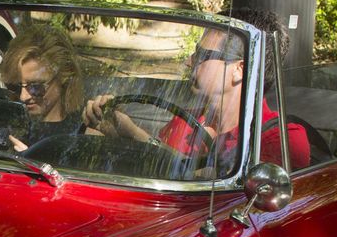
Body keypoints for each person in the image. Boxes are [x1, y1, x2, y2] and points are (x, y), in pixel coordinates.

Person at [81, 15, 309, 174]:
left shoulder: (281, 138)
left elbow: (220, 189)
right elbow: (155, 173)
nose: (190, 61)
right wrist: (113, 135)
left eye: (202, 54)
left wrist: (133, 133)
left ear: (239, 69)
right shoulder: (185, 121)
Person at [0, 23, 90, 145]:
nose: (23, 97)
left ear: (63, 77)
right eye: (14, 86)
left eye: (35, 86)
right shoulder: (3, 123)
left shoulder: (83, 128)